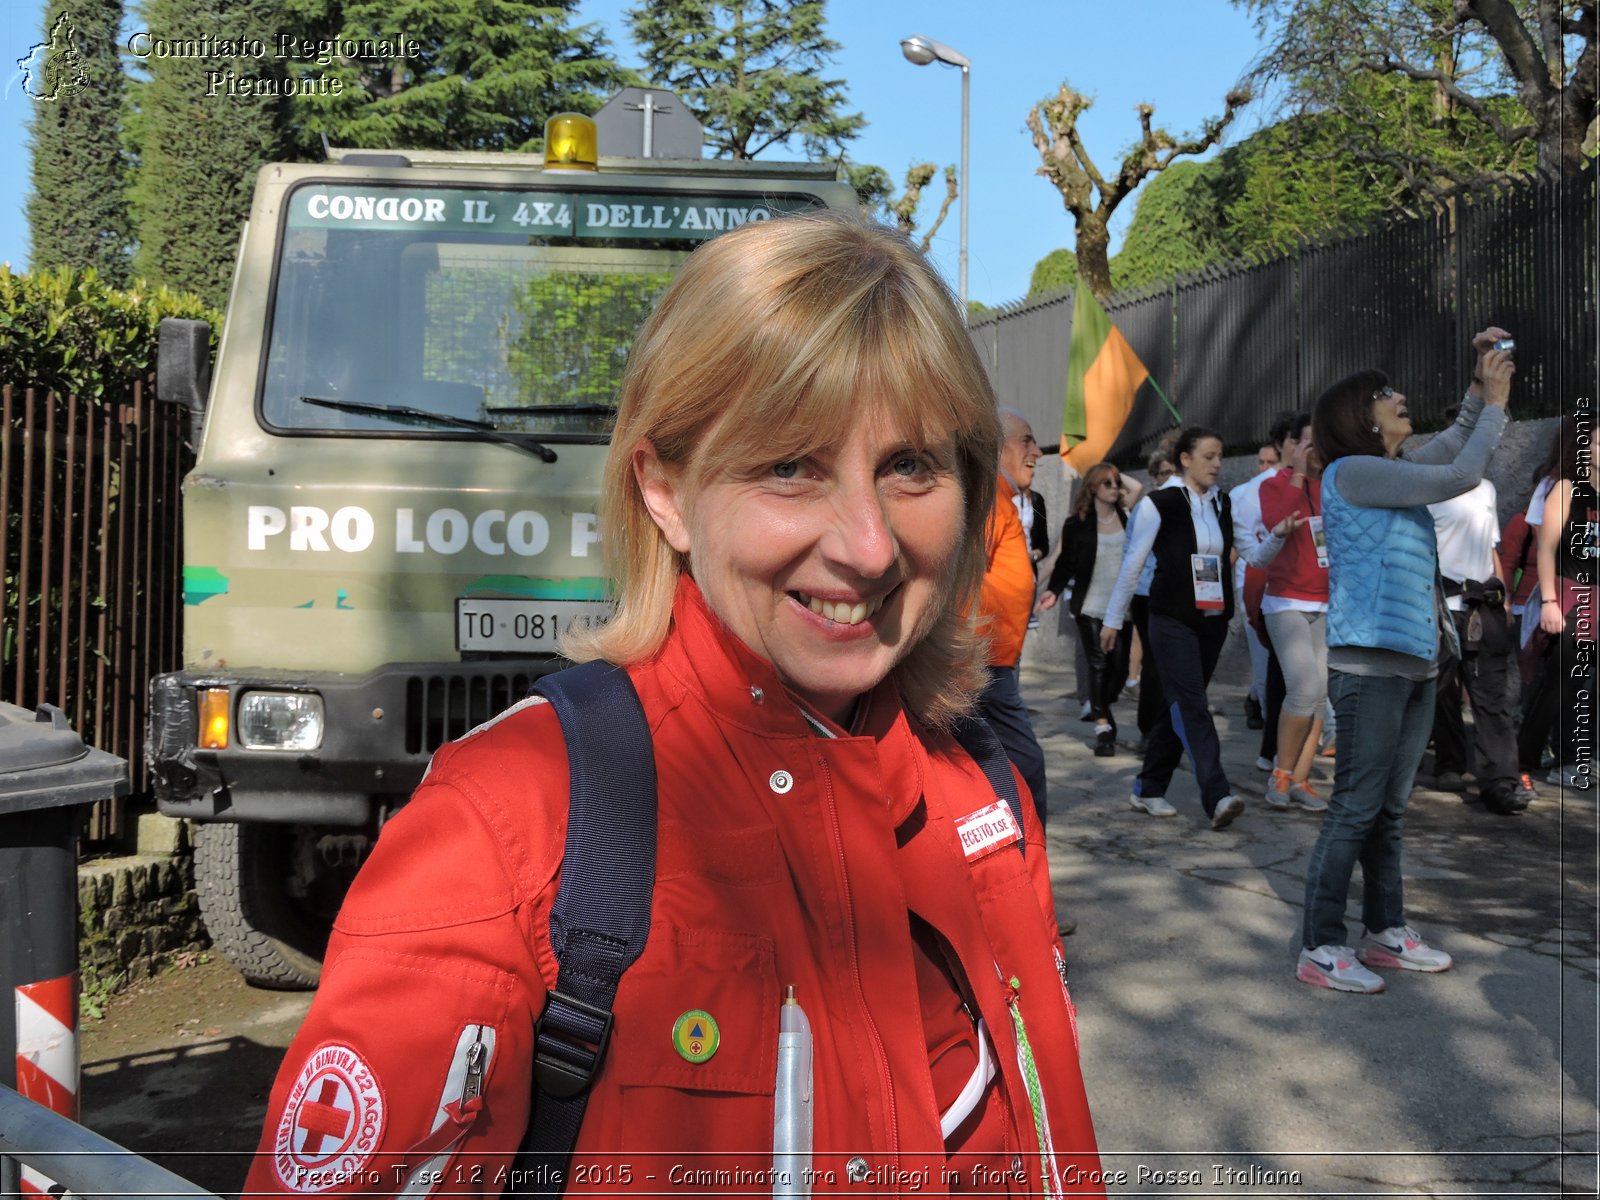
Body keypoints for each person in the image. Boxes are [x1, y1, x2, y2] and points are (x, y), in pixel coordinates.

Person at [242, 213, 1104, 1194]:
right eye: (791, 466)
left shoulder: (977, 785)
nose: (868, 546)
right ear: (665, 491)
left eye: (909, 466)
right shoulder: (507, 828)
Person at [1296, 328, 1514, 994]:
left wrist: (1478, 387)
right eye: (1385, 393)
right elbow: (1458, 471)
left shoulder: (1391, 473)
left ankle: (1384, 931)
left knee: (1389, 809)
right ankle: (1321, 945)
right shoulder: (1351, 473)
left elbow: (1448, 450)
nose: (1400, 398)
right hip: (1370, 671)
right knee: (1355, 809)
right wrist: (1498, 404)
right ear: (1360, 415)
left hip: (1418, 664)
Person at [1101, 428, 1291, 827]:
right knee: (1193, 707)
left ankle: (1148, 787)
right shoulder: (1160, 503)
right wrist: (1113, 621)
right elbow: (1133, 564)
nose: (1218, 464)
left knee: (1180, 705)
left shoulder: (1223, 503)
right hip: (1170, 620)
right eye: (1209, 456)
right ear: (1185, 459)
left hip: (1213, 622)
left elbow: (1251, 556)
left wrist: (1276, 536)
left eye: (1220, 456)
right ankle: (1217, 794)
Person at [1427, 473, 1535, 813]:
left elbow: (1490, 548)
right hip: (1441, 602)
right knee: (1440, 692)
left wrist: (1501, 600)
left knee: (1493, 695)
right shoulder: (1430, 486)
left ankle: (1501, 782)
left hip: (1481, 604)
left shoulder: (1487, 487)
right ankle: (1448, 764)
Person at [978, 410, 1053, 825]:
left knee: (1005, 765)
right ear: (996, 447)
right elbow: (965, 577)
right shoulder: (990, 495)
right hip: (984, 663)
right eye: (1026, 440)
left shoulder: (1000, 497)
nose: (1037, 451)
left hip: (996, 658)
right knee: (1025, 767)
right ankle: (1025, 862)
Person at [1519, 411, 1597, 789]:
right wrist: (1550, 601)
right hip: (1569, 598)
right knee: (1559, 687)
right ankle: (1522, 765)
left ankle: (1577, 760)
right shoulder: (1565, 488)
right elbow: (1545, 548)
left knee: (1590, 689)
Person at [1256, 420, 1330, 813]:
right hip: (1285, 602)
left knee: (1319, 695)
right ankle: (1280, 774)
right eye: (1308, 443)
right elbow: (1274, 524)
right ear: (1294, 446)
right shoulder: (1275, 484)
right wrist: (1298, 475)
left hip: (1326, 603)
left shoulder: (1332, 486)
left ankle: (1301, 779)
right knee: (1302, 688)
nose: (1315, 449)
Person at [1038, 462, 1133, 757]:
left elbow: (1138, 488)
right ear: (1092, 487)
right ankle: (1103, 727)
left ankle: (1104, 707)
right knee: (1098, 665)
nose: (1115, 487)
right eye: (1107, 483)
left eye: (1117, 483)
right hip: (1089, 605)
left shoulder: (1127, 517)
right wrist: (1053, 590)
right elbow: (1066, 562)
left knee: (1118, 670)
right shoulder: (1076, 523)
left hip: (1122, 610)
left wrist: (1112, 469)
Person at [1230, 437, 1286, 729]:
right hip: (1251, 582)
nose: (1264, 468)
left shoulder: (1293, 489)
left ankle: (1256, 698)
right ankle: (1269, 727)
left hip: (1285, 582)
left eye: (1270, 462)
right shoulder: (1243, 492)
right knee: (1263, 655)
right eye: (1260, 462)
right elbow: (1237, 545)